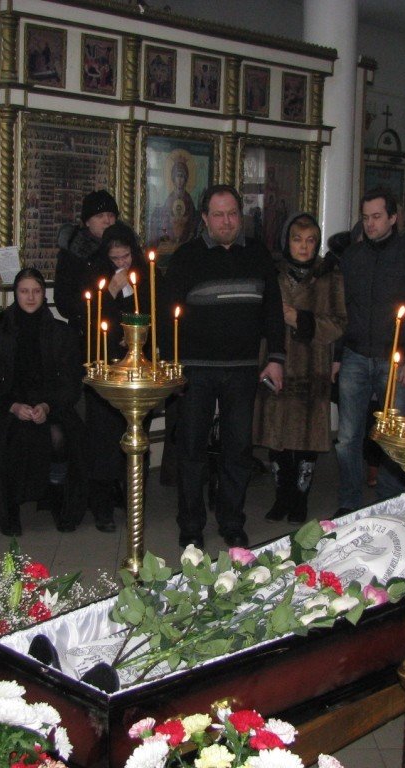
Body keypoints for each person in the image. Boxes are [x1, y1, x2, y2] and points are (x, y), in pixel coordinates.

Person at [163, 184, 286, 549]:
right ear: (204, 218)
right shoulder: (187, 257)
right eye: (218, 215)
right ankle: (191, 525)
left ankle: (232, 522)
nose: (227, 221)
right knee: (191, 450)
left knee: (238, 450)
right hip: (194, 370)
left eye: (232, 213)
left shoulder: (258, 254)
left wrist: (276, 358)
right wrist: (171, 366)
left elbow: (273, 311)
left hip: (243, 368)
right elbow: (168, 316)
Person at [334, 187, 405, 516]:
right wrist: (337, 355)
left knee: (393, 437)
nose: (370, 224)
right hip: (354, 354)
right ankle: (350, 503)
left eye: (377, 217)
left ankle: (389, 505)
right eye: (365, 218)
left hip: (397, 359)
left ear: (393, 218)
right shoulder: (352, 257)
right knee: (347, 437)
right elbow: (341, 310)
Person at [253, 213, 346, 524]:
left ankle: (300, 498)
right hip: (276, 360)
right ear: (287, 241)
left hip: (312, 362)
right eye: (297, 240)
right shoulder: (273, 273)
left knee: (307, 436)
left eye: (310, 241)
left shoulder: (329, 275)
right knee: (276, 432)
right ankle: (282, 496)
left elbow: (338, 323)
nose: (304, 247)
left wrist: (299, 319)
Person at [0, 268, 85, 536]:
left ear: (43, 294)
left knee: (59, 437)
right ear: (15, 293)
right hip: (10, 405)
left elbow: (71, 383)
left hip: (51, 405)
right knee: (12, 438)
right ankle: (10, 508)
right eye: (24, 291)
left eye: (36, 291)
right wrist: (14, 407)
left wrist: (47, 406)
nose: (30, 297)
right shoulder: (0, 330)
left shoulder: (60, 332)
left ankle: (57, 498)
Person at [84, 223, 155, 532]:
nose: (121, 263)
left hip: (138, 367)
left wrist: (139, 338)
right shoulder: (98, 275)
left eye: (125, 256)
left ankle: (133, 500)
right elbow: (90, 317)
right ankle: (102, 506)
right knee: (103, 439)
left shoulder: (146, 275)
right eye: (115, 258)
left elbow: (153, 310)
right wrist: (111, 290)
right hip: (107, 367)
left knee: (137, 434)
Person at [53, 189, 119, 338]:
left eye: (111, 215)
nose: (107, 220)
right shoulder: (72, 254)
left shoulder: (125, 249)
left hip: (120, 333)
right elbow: (64, 303)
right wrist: (107, 294)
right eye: (100, 216)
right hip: (86, 333)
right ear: (88, 221)